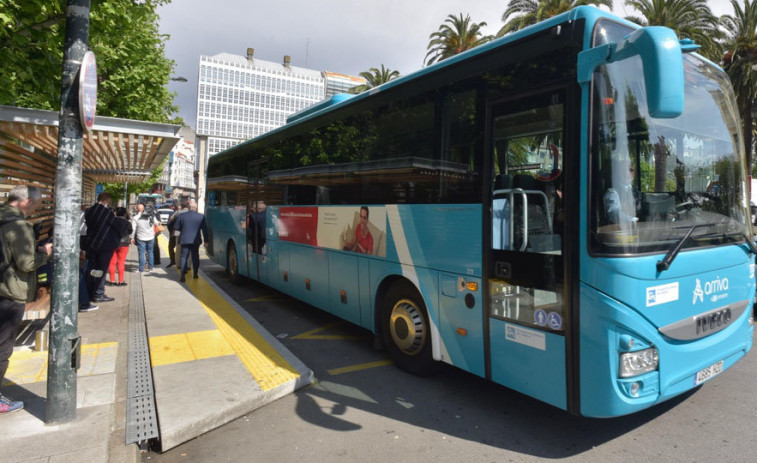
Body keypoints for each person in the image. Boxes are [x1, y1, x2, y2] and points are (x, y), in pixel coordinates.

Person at [0, 185, 52, 414]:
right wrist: (45, 253)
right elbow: (27, 263)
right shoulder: (19, 226)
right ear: (26, 201)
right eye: (36, 205)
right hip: (9, 292)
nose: (34, 210)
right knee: (3, 346)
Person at [85, 192, 130, 303]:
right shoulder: (106, 212)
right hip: (104, 245)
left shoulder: (89, 211)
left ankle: (91, 291)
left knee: (93, 268)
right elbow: (116, 225)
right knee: (102, 269)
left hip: (91, 244)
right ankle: (99, 293)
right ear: (107, 200)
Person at [174, 199, 208, 282]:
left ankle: (182, 274)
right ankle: (195, 273)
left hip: (184, 239)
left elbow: (176, 228)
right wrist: (206, 241)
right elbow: (204, 230)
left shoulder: (181, 216)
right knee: (195, 256)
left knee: (183, 256)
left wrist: (177, 238)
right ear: (196, 208)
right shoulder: (201, 217)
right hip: (195, 240)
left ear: (189, 207)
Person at [107, 207, 132, 286]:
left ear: (116, 213)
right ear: (125, 213)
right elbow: (130, 231)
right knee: (121, 262)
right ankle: (121, 281)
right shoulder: (128, 223)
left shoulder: (112, 222)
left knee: (112, 262)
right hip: (124, 244)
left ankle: (112, 281)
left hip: (113, 243)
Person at [130, 203, 156, 273]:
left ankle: (141, 269)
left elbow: (133, 229)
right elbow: (156, 223)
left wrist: (132, 238)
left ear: (137, 209)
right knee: (150, 252)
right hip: (151, 236)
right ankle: (151, 268)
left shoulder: (135, 218)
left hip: (141, 237)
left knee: (141, 253)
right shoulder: (150, 215)